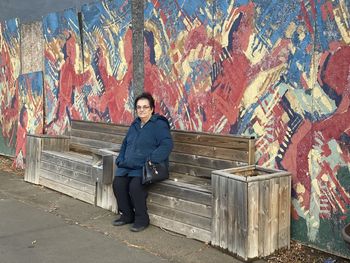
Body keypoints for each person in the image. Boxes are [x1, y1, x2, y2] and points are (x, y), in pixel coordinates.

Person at [112, 92, 173, 232]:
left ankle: (142, 219)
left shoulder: (158, 125)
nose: (142, 110)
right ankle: (127, 215)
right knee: (118, 184)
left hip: (146, 167)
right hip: (129, 165)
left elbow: (166, 145)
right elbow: (125, 144)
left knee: (135, 187)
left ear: (152, 109)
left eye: (145, 107)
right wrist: (120, 159)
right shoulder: (135, 124)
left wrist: (151, 160)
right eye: (139, 107)